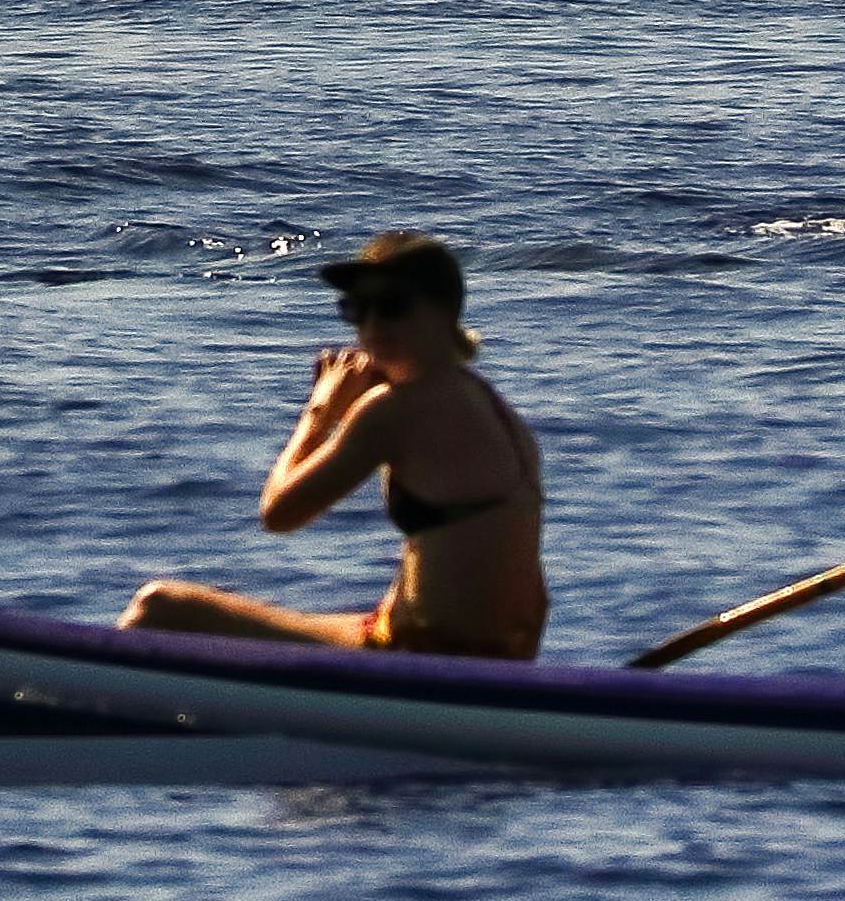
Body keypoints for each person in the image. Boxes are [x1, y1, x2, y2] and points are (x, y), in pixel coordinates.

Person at [121, 232, 550, 659]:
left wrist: (320, 412)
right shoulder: (488, 402)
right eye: (357, 310)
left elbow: (279, 513)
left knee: (159, 607)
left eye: (391, 307)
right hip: (499, 653)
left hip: (430, 657)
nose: (372, 327)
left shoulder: (394, 410)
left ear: (442, 312)